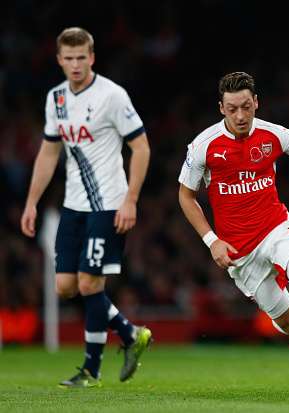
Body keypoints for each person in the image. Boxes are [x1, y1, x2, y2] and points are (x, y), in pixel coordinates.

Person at [178, 72, 289, 357]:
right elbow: (185, 196)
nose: (240, 116)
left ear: (256, 102)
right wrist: (211, 241)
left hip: (276, 229)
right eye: (232, 109)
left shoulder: (274, 134)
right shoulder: (203, 145)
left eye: (246, 107)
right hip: (238, 250)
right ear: (221, 108)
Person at [20, 27, 152, 387]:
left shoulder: (112, 95)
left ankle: (90, 370)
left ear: (92, 58)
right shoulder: (56, 99)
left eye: (82, 57)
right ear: (59, 60)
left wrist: (131, 200)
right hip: (73, 205)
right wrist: (31, 202)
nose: (76, 64)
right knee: (65, 287)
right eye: (69, 58)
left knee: (89, 283)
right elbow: (49, 152)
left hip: (108, 203)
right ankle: (131, 334)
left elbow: (141, 147)